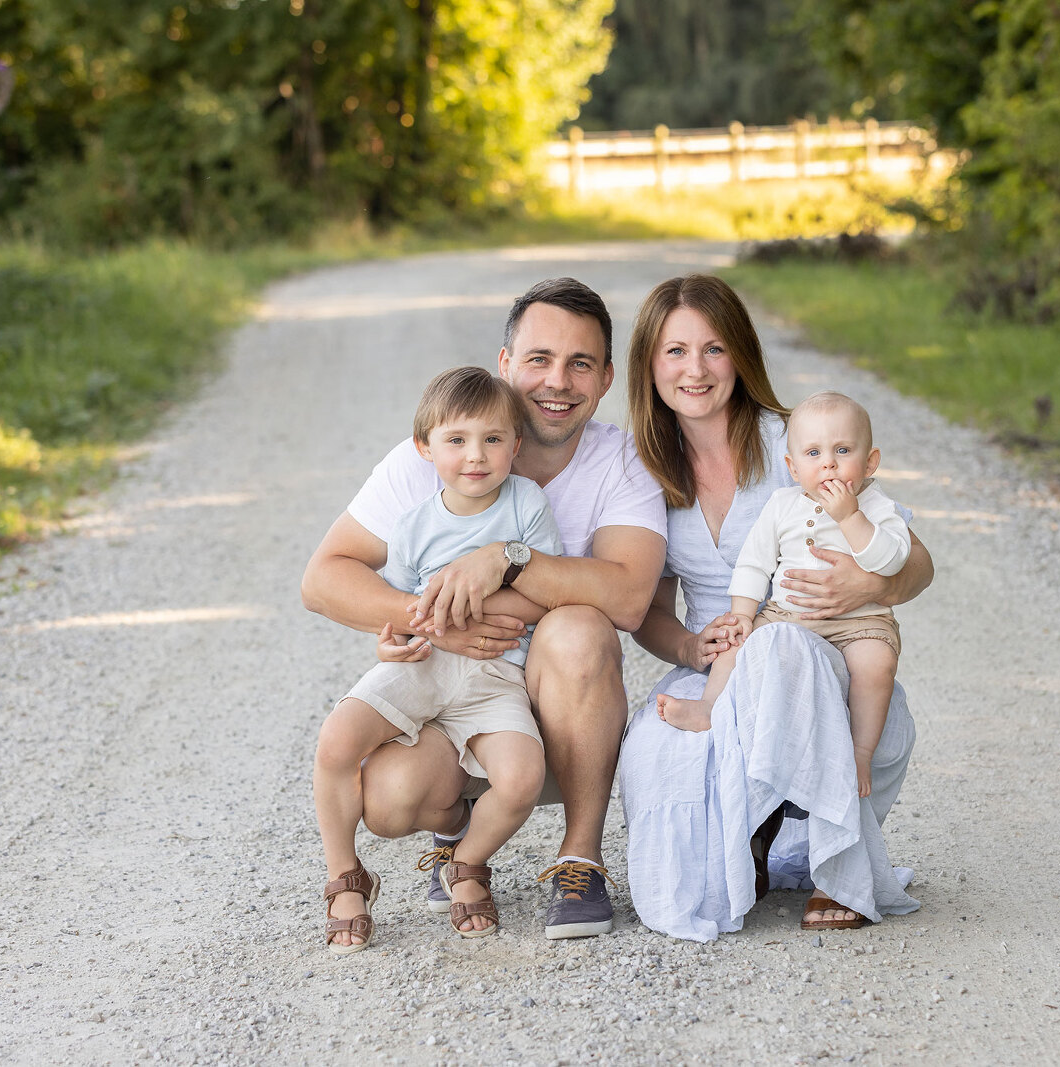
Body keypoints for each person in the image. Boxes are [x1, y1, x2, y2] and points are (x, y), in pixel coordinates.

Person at [301, 278, 667, 940]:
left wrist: (509, 556)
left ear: (606, 376)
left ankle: (578, 856)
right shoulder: (436, 453)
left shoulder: (620, 462)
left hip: (549, 707)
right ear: (505, 363)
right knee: (385, 800)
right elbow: (323, 578)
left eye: (580, 363)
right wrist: (428, 616)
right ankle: (453, 836)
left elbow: (631, 596)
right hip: (444, 688)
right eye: (539, 359)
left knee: (581, 626)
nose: (558, 380)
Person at [620, 274, 934, 942]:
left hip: (827, 657)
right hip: (726, 659)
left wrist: (869, 588)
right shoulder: (647, 466)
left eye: (713, 348)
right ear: (649, 364)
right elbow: (645, 606)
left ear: (741, 353)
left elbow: (917, 563)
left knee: (784, 649)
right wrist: (689, 647)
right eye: (675, 351)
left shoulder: (799, 443)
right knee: (656, 748)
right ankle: (746, 848)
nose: (695, 369)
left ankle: (838, 865)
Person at [316, 367, 563, 950]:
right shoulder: (413, 526)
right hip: (423, 663)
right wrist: (389, 641)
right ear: (424, 447)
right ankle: (345, 877)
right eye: (457, 440)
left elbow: (546, 591)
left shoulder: (526, 503)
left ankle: (468, 862)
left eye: (493, 439)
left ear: (515, 445)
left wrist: (487, 602)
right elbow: (402, 609)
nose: (476, 456)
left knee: (522, 778)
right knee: (336, 739)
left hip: (496, 669)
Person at [655, 390, 910, 802]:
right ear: (792, 467)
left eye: (842, 450)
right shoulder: (782, 504)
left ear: (870, 462)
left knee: (877, 666)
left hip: (859, 622)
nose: (827, 463)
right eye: (813, 453)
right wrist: (741, 613)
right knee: (736, 648)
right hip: (786, 615)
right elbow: (755, 562)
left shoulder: (876, 506)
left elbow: (892, 559)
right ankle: (709, 707)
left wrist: (851, 518)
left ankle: (860, 753)